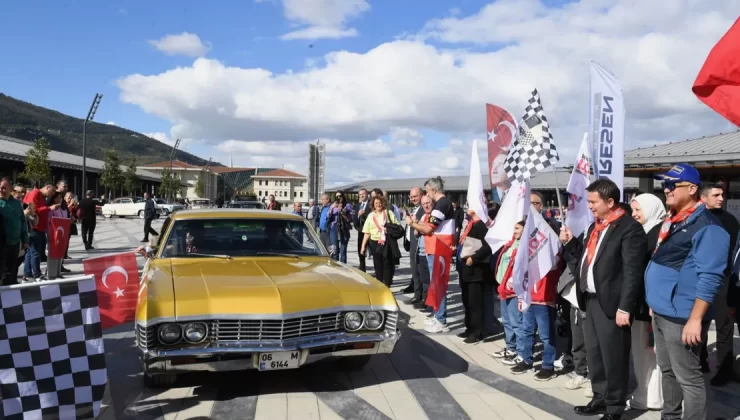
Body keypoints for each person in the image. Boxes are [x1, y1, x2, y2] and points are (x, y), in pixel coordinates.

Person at [646, 164, 729, 419]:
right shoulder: (675, 220)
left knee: (689, 378)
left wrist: (695, 320)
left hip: (682, 316)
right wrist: (654, 300)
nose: (666, 189)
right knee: (667, 370)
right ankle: (669, 416)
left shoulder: (709, 226)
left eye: (672, 185)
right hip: (662, 311)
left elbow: (710, 277)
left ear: (692, 189)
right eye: (664, 184)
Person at [560, 178, 647, 419]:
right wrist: (570, 243)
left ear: (610, 201)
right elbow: (587, 260)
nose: (589, 206)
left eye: (593, 201)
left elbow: (632, 272)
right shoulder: (595, 227)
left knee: (614, 356)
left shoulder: (629, 229)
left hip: (613, 304)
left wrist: (625, 307)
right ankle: (599, 397)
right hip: (589, 300)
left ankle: (614, 407)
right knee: (595, 354)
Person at [628, 193, 665, 411]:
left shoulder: (657, 233)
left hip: (647, 304)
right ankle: (648, 393)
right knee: (646, 352)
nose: (634, 215)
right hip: (643, 302)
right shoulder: (647, 230)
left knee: (647, 352)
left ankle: (650, 396)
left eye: (638, 210)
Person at [457, 208, 493, 344]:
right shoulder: (470, 223)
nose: (467, 207)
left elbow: (487, 245)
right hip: (465, 269)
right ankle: (469, 327)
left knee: (475, 302)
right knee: (467, 301)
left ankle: (477, 332)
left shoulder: (482, 225)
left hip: (476, 270)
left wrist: (475, 258)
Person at [492, 220, 525, 364]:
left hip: (514, 290)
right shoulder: (511, 243)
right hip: (503, 288)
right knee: (506, 320)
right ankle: (510, 347)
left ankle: (521, 350)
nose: (514, 231)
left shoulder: (524, 246)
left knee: (516, 321)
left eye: (517, 228)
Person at [361, 195, 398, 287]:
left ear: (383, 203)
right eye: (376, 203)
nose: (378, 204)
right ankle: (380, 285)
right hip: (375, 242)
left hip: (387, 242)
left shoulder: (388, 213)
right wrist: (363, 246)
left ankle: (387, 285)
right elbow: (366, 232)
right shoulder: (370, 216)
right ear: (373, 204)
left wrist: (388, 229)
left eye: (379, 202)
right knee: (378, 265)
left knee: (387, 264)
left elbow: (397, 226)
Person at [23, 182, 56, 281]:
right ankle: (36, 274)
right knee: (36, 252)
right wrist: (49, 208)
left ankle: (28, 274)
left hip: (39, 227)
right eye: (53, 191)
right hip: (34, 228)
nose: (53, 194)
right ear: (47, 187)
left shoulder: (40, 196)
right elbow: (34, 209)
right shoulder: (35, 194)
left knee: (31, 252)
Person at [0, 178, 28, 286]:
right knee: (2, 271)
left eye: (3, 188)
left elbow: (22, 221)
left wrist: (25, 239)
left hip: (15, 242)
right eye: (0, 188)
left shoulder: (16, 204)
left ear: (10, 189)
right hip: (2, 243)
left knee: (12, 269)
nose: (1, 190)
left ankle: (11, 291)